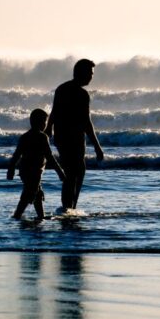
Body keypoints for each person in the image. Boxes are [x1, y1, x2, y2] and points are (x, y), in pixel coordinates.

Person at [45, 58, 104, 211]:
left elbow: (54, 111)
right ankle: (68, 207)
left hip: (62, 137)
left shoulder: (62, 89)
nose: (92, 77)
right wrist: (97, 147)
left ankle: (69, 206)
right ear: (81, 72)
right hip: (72, 138)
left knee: (75, 171)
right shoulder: (82, 94)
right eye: (90, 73)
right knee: (74, 172)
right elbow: (86, 122)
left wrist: (49, 128)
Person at [7, 108, 66, 219]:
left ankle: (40, 216)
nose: (45, 124)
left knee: (37, 194)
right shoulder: (42, 137)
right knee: (29, 194)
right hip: (35, 171)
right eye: (44, 122)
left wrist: (11, 169)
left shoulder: (24, 137)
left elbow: (16, 155)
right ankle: (17, 215)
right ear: (39, 122)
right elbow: (50, 157)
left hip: (24, 171)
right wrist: (60, 172)